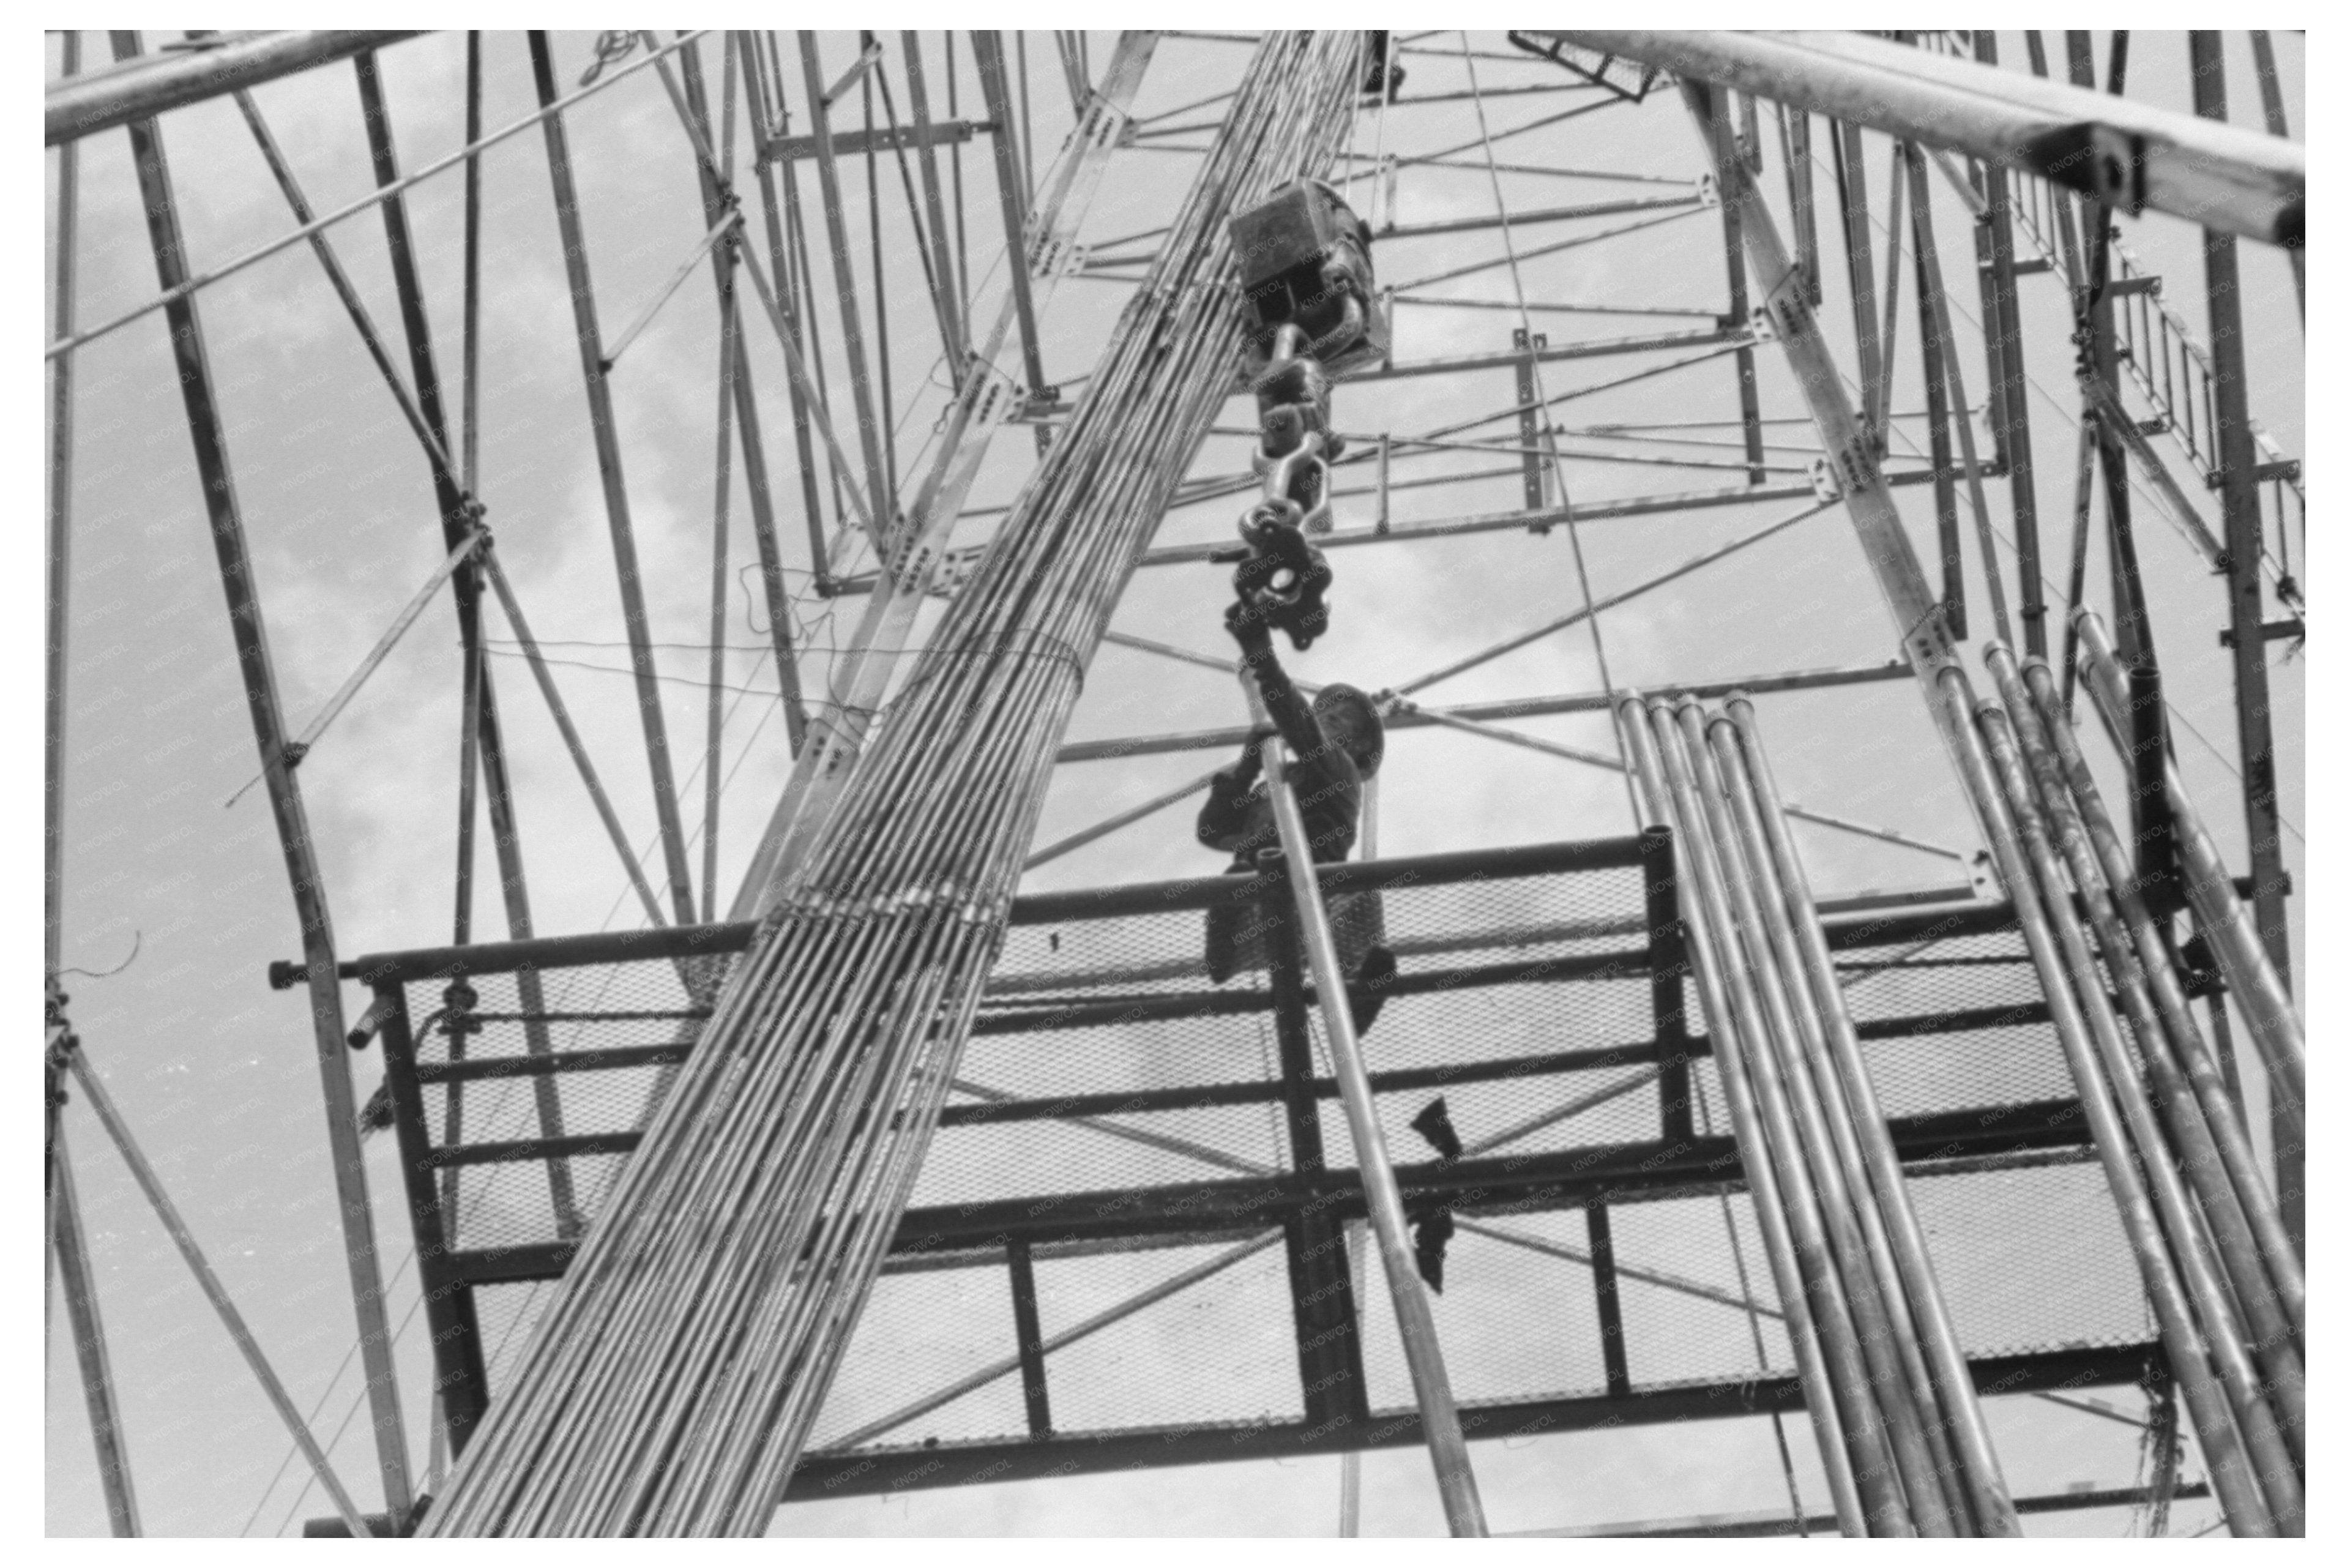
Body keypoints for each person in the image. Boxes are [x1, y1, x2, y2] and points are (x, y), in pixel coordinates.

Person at [1197, 599, 1397, 1032]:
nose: (1327, 717)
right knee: (1239, 875)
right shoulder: (1276, 785)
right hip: (1260, 902)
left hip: (1316, 901)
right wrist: (1250, 761)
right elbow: (1213, 831)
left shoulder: (1336, 768)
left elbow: (1295, 718)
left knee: (1363, 888)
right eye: (1324, 710)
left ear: (1356, 746)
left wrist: (1260, 654)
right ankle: (1228, 950)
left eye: (1340, 718)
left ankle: (1353, 991)